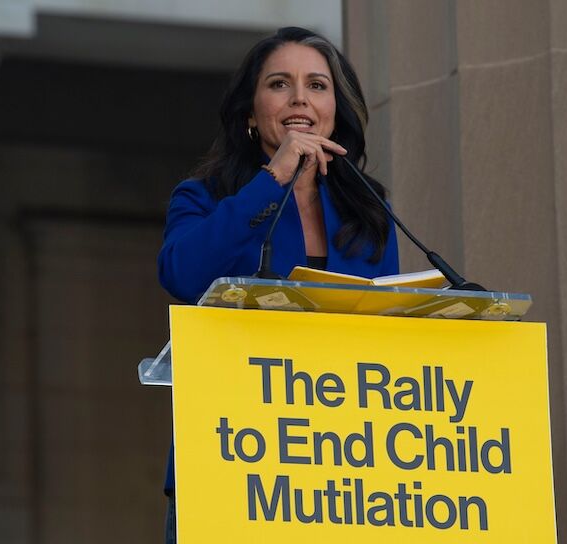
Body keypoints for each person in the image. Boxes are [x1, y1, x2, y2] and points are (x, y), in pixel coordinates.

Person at [156, 26, 399, 542]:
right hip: (233, 455)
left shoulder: (370, 211)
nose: (299, 99)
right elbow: (181, 273)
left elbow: (387, 331)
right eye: (279, 84)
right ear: (250, 112)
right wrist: (274, 178)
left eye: (316, 85)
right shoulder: (203, 197)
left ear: (335, 108)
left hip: (344, 467)